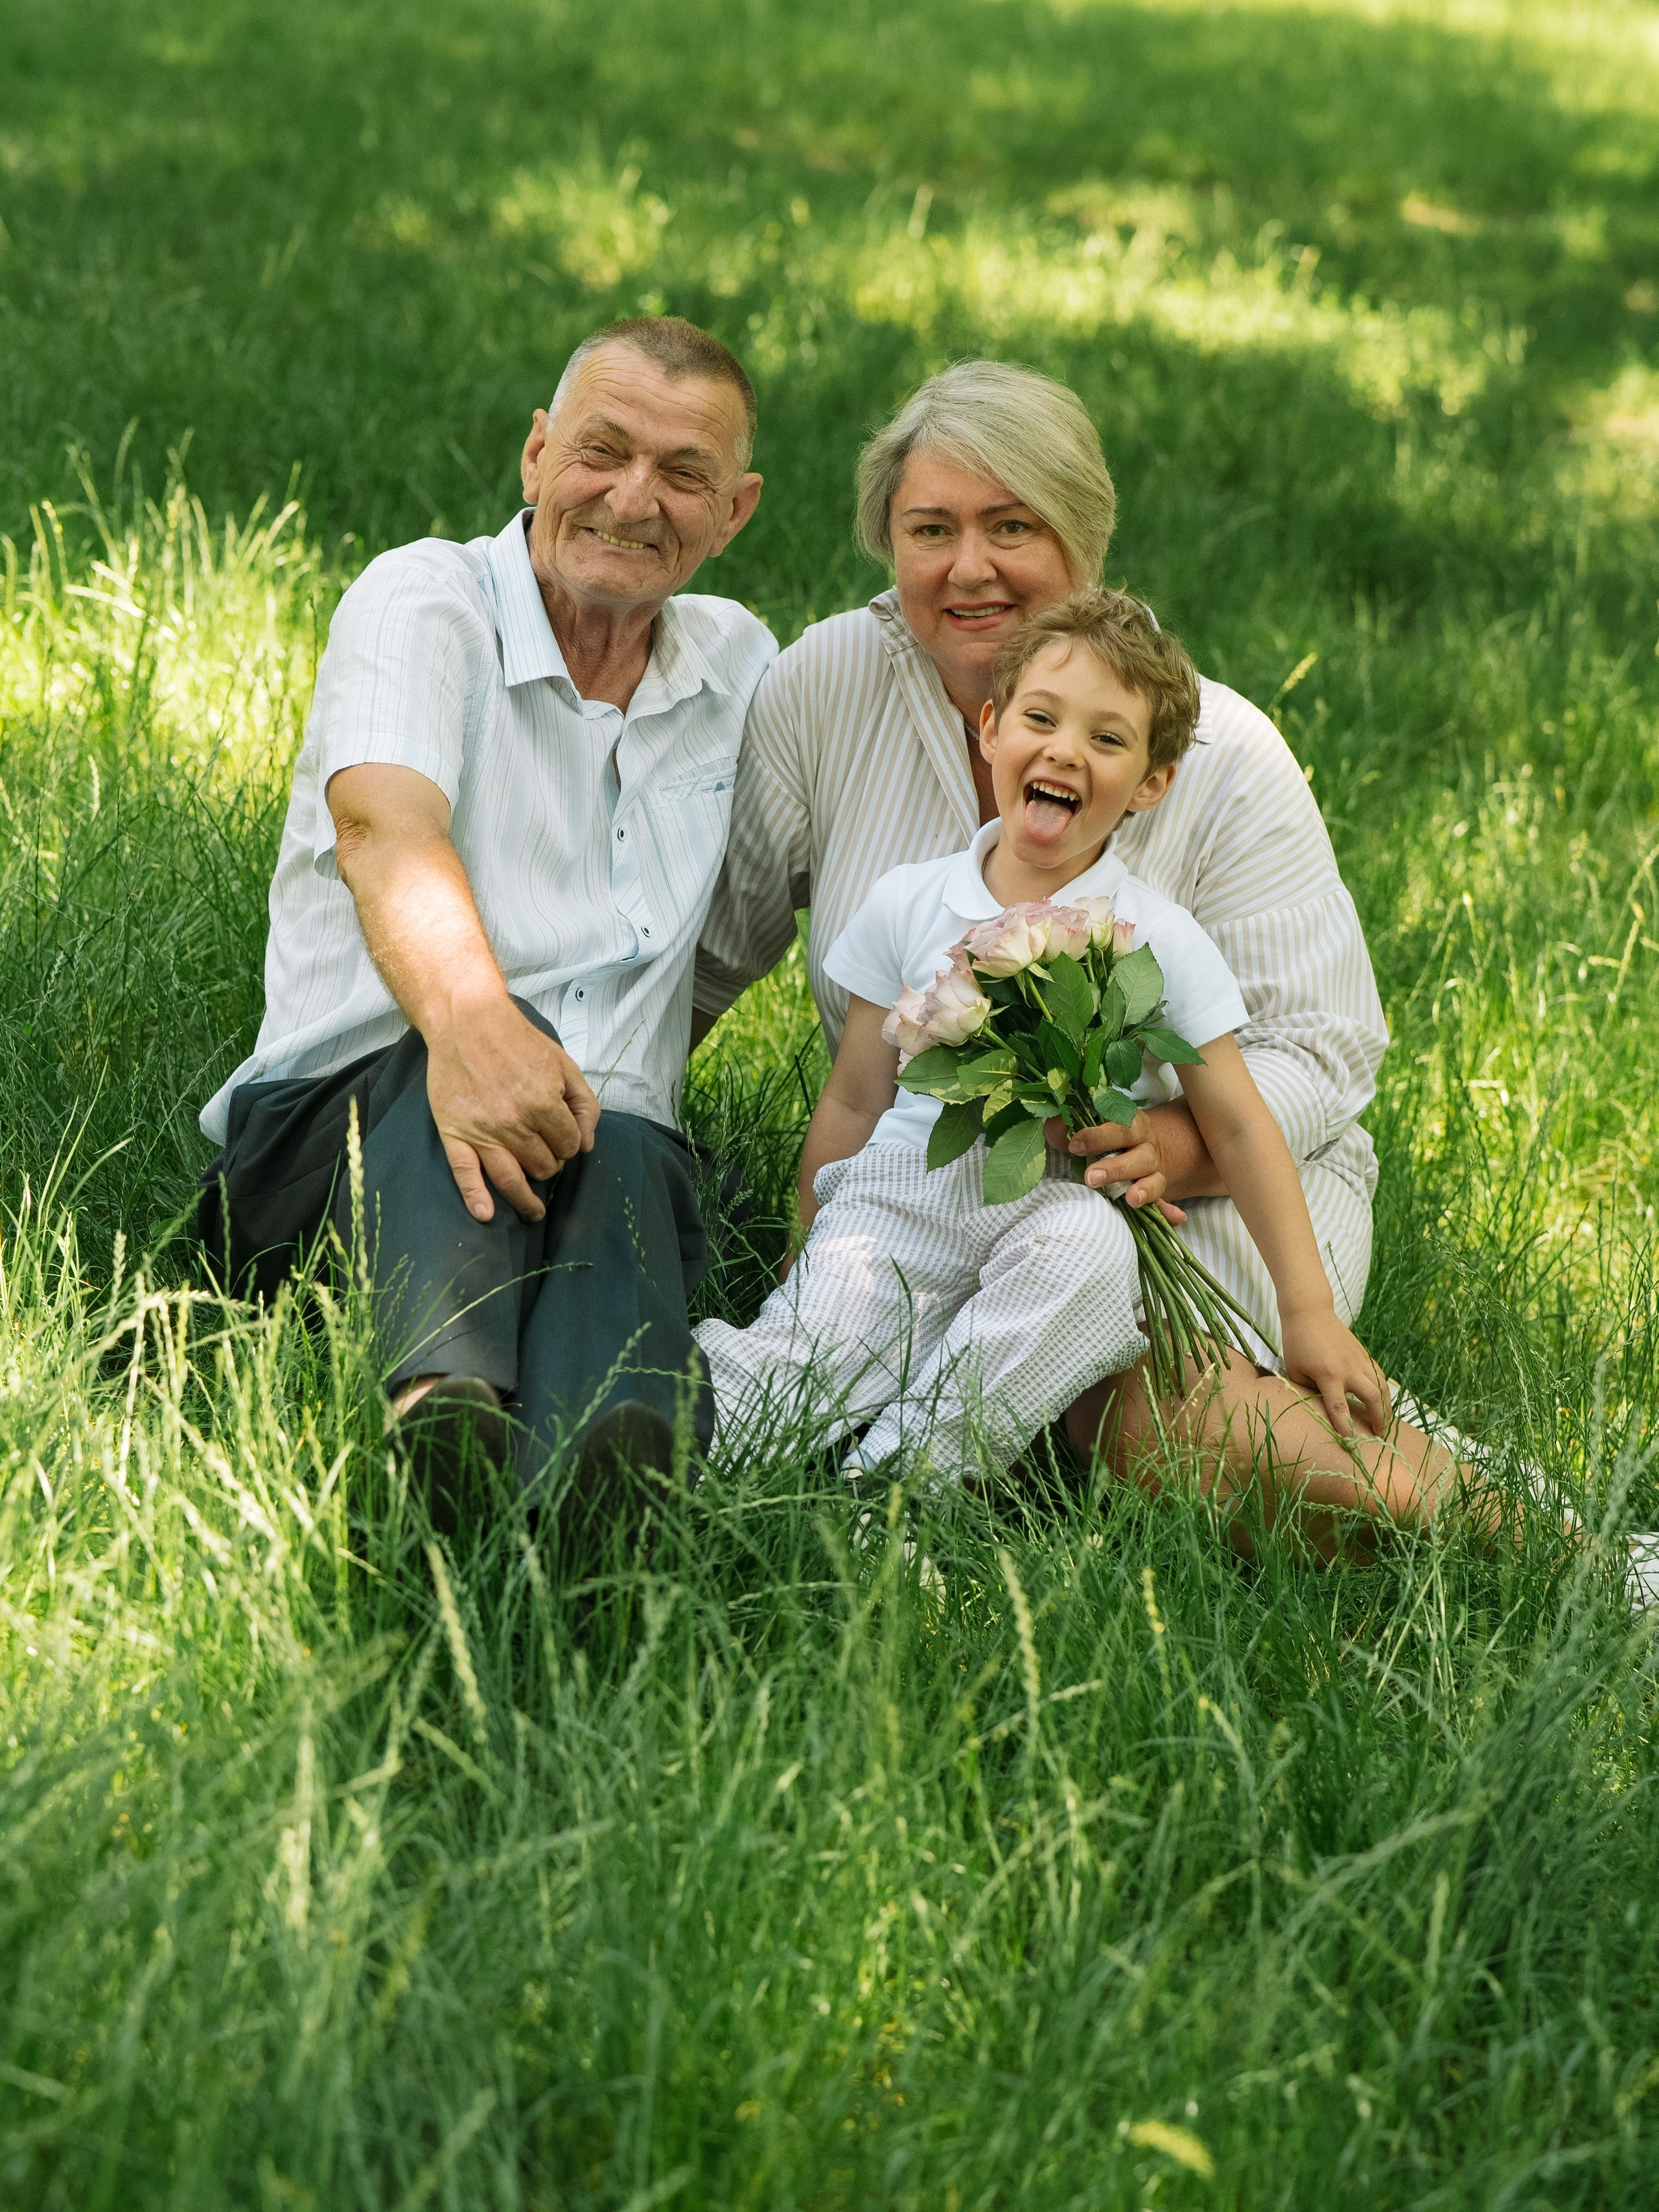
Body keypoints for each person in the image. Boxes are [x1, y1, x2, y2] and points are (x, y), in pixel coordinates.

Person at [699, 590, 1474, 1549]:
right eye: (1040, 719)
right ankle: (674, 1450)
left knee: (1095, 1261)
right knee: (818, 1357)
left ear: (1152, 784)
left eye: (1108, 740)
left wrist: (1307, 1313)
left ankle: (895, 1489)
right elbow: (858, 1093)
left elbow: (1237, 1123)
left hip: (1054, 1205)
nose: (1066, 751)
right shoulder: (909, 903)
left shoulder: (1156, 937)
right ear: (992, 730)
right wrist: (810, 1238)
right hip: (908, 1196)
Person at [694, 360, 1389, 1429]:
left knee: (1147, 1421)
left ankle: (1560, 1540)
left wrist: (1170, 1142)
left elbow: (1325, 1051)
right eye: (930, 529)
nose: (969, 567)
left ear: (1082, 537)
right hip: (929, 1200)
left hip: (1190, 1209)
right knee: (847, 1356)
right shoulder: (826, 685)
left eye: (1011, 526)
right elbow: (709, 967)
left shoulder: (1223, 752)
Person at [198, 315, 772, 1522]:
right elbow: (383, 832)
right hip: (342, 1131)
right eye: (601, 452)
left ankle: (608, 1469)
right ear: (535, 455)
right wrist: (473, 1029)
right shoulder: (425, 601)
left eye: (684, 475)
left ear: (737, 513)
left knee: (623, 1139)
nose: (632, 497)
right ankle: (441, 1414)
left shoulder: (742, 669)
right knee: (453, 1062)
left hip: (595, 1141)